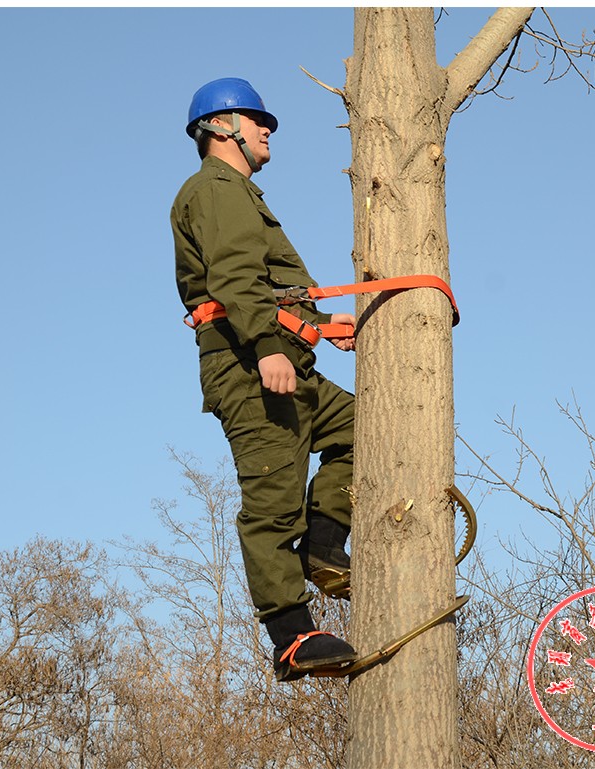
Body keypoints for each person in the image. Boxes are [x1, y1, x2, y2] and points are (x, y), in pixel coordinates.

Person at [170, 77, 357, 682]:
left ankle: (324, 545)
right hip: (252, 367)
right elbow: (234, 279)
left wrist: (323, 324)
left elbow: (270, 289)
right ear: (220, 129)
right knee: (273, 499)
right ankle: (291, 636)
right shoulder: (215, 189)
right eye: (254, 119)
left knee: (365, 427)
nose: (266, 128)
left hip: (283, 359)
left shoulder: (239, 193)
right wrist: (266, 348)